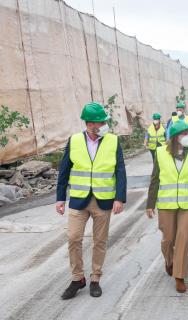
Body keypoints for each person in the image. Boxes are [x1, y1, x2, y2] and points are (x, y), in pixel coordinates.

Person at [56, 102, 127, 299]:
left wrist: (119, 198)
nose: (104, 124)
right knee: (73, 238)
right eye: (100, 122)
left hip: (103, 200)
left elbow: (120, 171)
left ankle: (95, 278)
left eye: (104, 121)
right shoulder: (75, 140)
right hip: (79, 199)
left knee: (100, 241)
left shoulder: (113, 141)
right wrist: (60, 198)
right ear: (89, 124)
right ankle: (78, 278)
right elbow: (64, 170)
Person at [146, 120, 188, 293]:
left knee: (183, 238)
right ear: (174, 137)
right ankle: (169, 260)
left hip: (187, 204)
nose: (187, 137)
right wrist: (150, 204)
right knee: (168, 239)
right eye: (183, 134)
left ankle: (179, 276)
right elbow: (155, 179)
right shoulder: (160, 153)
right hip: (166, 203)